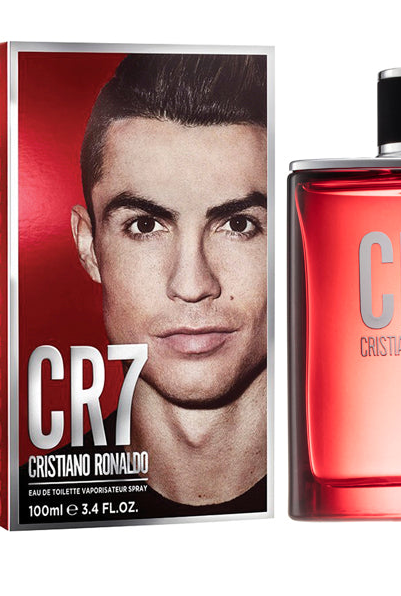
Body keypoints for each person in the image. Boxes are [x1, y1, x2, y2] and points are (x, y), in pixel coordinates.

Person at [70, 53, 268, 513]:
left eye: (238, 225)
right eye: (145, 226)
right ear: (89, 247)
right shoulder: (32, 506)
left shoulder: (352, 488)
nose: (192, 284)